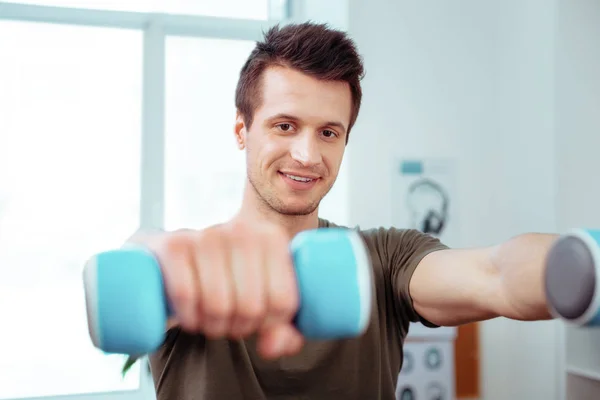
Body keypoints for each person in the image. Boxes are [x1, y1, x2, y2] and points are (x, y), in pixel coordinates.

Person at [129, 22, 557, 399]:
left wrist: (581, 264)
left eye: (329, 132)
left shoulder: (384, 259)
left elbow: (496, 275)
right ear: (242, 130)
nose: (307, 154)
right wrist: (159, 261)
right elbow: (137, 278)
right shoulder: (196, 262)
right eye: (285, 126)